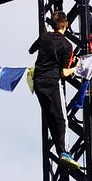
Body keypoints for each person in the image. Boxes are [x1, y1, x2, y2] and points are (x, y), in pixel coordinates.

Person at [28, 10, 79, 168]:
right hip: (52, 82)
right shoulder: (66, 45)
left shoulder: (45, 36)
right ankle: (64, 151)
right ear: (67, 25)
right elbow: (64, 73)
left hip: (38, 82)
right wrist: (76, 68)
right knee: (61, 119)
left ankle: (59, 150)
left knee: (50, 117)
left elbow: (31, 50)